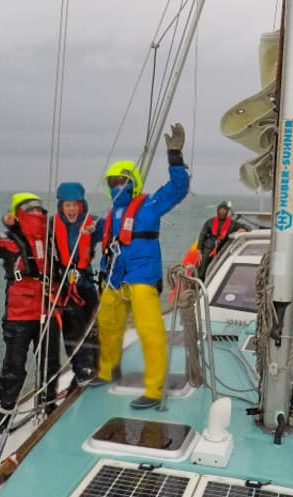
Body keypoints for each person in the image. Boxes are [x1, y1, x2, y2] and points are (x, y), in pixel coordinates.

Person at [94, 123, 191, 409]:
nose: (117, 186)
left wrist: (175, 156)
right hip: (114, 278)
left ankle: (154, 388)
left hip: (142, 277)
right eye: (113, 182)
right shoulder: (111, 215)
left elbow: (178, 188)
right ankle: (106, 370)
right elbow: (97, 240)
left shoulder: (150, 205)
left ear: (132, 182)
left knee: (150, 332)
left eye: (121, 181)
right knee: (108, 326)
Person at [0, 190, 61, 431]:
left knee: (50, 363)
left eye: (39, 208)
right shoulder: (9, 242)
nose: (37, 212)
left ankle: (48, 405)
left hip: (48, 310)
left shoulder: (50, 239)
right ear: (19, 213)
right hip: (20, 315)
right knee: (14, 368)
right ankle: (5, 414)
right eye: (30, 208)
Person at [49, 181, 102, 390]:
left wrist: (97, 230)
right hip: (66, 284)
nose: (71, 209)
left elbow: (113, 229)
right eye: (67, 205)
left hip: (86, 282)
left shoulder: (93, 222)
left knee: (93, 326)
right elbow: (32, 233)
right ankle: (82, 369)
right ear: (61, 206)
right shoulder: (52, 225)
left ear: (81, 205)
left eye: (74, 205)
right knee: (72, 329)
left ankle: (97, 365)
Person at [196, 201, 249, 279]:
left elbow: (247, 227)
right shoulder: (209, 222)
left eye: (224, 210)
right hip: (208, 248)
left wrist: (244, 229)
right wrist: (199, 250)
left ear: (227, 212)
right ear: (218, 211)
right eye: (220, 210)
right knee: (202, 268)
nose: (222, 212)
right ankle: (199, 281)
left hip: (222, 248)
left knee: (217, 269)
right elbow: (202, 235)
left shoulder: (232, 224)